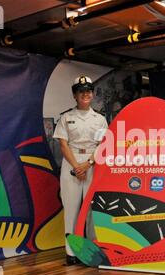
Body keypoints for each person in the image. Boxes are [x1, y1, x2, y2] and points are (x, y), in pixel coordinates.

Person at [53, 75, 108, 265]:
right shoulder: (66, 118)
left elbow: (103, 144)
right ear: (75, 95)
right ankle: (71, 252)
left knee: (93, 209)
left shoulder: (100, 119)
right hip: (72, 163)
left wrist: (88, 163)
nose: (85, 94)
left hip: (93, 163)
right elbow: (63, 144)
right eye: (81, 91)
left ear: (92, 94)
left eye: (88, 91)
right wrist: (77, 166)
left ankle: (93, 249)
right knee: (72, 209)